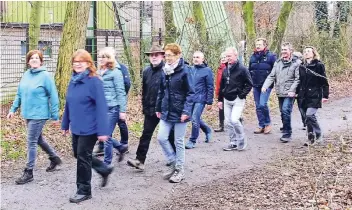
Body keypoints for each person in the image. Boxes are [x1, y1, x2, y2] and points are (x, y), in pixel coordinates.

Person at [61, 49, 113, 203]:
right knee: (79, 154)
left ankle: (84, 190)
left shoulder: (94, 81)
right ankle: (104, 169)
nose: (77, 64)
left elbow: (102, 107)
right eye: (75, 62)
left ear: (88, 63)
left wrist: (103, 131)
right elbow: (69, 104)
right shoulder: (74, 80)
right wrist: (65, 124)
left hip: (90, 127)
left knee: (82, 157)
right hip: (76, 126)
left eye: (81, 62)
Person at [7, 50, 62, 185]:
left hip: (40, 114)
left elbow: (53, 96)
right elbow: (19, 94)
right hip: (28, 113)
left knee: (31, 141)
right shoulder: (26, 75)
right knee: (38, 139)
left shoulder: (45, 76)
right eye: (32, 58)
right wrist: (13, 109)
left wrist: (55, 116)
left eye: (37, 58)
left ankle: (29, 171)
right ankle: (54, 158)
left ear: (41, 61)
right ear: (28, 61)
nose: (34, 60)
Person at [127, 45, 175, 170]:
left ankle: (174, 159)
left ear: (162, 56)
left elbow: (171, 91)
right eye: (151, 55)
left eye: (156, 55)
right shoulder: (146, 71)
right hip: (150, 109)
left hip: (165, 110)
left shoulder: (167, 70)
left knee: (169, 136)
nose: (154, 57)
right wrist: (144, 106)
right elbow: (145, 91)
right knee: (146, 134)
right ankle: (139, 160)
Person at [156, 43, 194, 183]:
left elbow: (190, 93)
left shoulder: (185, 70)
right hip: (166, 110)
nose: (168, 58)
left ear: (178, 55)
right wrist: (158, 108)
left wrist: (186, 111)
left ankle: (179, 170)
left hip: (180, 112)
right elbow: (161, 90)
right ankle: (173, 162)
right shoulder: (164, 70)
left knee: (178, 141)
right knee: (161, 137)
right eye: (166, 56)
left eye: (170, 55)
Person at [262, 42, 301, 143]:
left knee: (285, 110)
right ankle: (285, 126)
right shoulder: (278, 62)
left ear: (291, 51)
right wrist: (265, 86)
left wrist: (292, 90)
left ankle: (287, 133)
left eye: (285, 50)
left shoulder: (297, 63)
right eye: (282, 50)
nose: (283, 52)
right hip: (280, 91)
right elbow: (272, 75)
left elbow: (298, 79)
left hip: (290, 93)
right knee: (282, 111)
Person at [93, 57, 131, 156]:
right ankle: (104, 147)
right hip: (105, 104)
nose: (102, 59)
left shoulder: (121, 68)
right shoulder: (101, 70)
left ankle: (124, 144)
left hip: (116, 102)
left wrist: (120, 99)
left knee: (120, 123)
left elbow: (127, 84)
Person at [218, 47, 253, 151]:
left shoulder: (242, 69)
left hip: (238, 99)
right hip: (226, 99)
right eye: (226, 56)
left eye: (229, 56)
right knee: (228, 122)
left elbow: (249, 84)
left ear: (235, 56)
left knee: (234, 120)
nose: (227, 58)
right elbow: (222, 85)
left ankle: (241, 140)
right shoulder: (225, 69)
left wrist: (241, 95)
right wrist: (220, 99)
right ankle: (233, 143)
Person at [297, 46, 329, 146]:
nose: (306, 53)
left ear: (313, 53)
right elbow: (300, 81)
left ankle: (318, 133)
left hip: (315, 94)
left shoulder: (319, 65)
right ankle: (310, 138)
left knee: (310, 115)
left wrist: (325, 95)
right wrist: (296, 92)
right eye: (305, 51)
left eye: (308, 51)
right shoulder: (302, 66)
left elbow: (324, 81)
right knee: (307, 118)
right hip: (303, 95)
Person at [185, 51, 214, 149]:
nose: (195, 59)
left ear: (203, 59)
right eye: (194, 57)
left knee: (194, 119)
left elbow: (210, 87)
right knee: (193, 118)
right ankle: (207, 130)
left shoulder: (207, 70)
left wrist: (209, 102)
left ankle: (192, 140)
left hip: (201, 99)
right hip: (190, 99)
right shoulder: (190, 69)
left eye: (197, 57)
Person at [249, 38, 277, 134]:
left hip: (266, 85)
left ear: (265, 45)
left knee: (262, 104)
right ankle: (261, 125)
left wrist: (273, 83)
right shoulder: (252, 56)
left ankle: (268, 123)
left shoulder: (271, 56)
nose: (257, 46)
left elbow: (275, 71)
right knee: (257, 106)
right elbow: (250, 70)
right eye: (257, 44)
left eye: (260, 44)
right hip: (255, 84)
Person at [214, 52, 227, 132]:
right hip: (220, 92)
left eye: (224, 57)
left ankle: (239, 119)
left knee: (230, 108)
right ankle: (221, 125)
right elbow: (217, 82)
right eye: (222, 58)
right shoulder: (219, 68)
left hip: (228, 91)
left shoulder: (229, 68)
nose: (223, 59)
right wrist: (217, 92)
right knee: (221, 109)